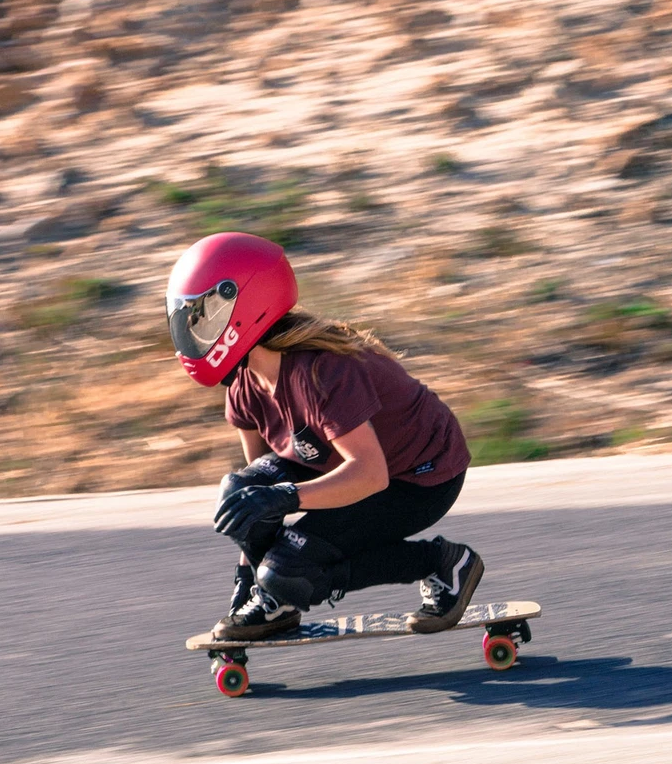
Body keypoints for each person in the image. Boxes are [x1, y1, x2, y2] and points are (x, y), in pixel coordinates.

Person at [166, 231, 484, 642]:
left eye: (203, 315)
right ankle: (274, 600)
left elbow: (370, 475)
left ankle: (442, 562)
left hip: (419, 477)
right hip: (341, 464)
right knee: (239, 492)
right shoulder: (244, 384)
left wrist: (285, 503)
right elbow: (257, 495)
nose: (194, 332)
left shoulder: (322, 374)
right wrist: (248, 578)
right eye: (189, 318)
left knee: (292, 574)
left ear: (244, 306)